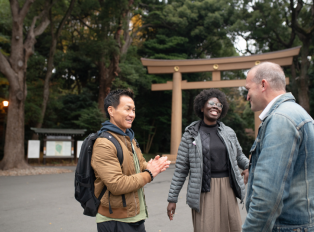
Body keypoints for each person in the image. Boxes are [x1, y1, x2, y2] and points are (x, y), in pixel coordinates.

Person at [242, 62, 314, 231]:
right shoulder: (295, 113)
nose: (247, 96)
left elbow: (268, 194)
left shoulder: (281, 119)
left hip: (287, 226)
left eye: (248, 89)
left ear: (263, 85)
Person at [167, 88, 249, 232]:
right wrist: (172, 199)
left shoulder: (229, 132)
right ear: (201, 106)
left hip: (227, 187)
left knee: (231, 227)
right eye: (211, 103)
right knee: (206, 227)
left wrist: (249, 166)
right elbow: (181, 169)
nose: (215, 107)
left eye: (219, 105)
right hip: (203, 189)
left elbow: (239, 156)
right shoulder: (191, 134)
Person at [92, 89, 171, 232]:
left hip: (135, 216)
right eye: (127, 109)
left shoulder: (129, 138)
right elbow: (116, 184)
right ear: (111, 110)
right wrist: (150, 173)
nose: (132, 114)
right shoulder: (104, 143)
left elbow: (140, 165)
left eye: (133, 110)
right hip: (115, 220)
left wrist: (153, 166)